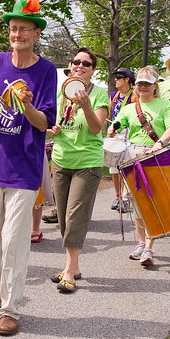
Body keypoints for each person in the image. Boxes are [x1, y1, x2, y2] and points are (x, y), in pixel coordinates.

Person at [0, 0, 57, 336]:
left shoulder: (46, 71)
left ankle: (11, 309)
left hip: (23, 168)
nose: (16, 33)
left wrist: (29, 105)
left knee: (14, 240)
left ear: (36, 34)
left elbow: (43, 122)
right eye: (13, 28)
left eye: (23, 29)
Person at [47, 48, 108, 293]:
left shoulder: (100, 93)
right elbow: (49, 122)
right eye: (76, 62)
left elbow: (96, 128)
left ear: (92, 69)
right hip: (61, 160)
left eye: (86, 63)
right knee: (63, 216)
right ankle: (73, 266)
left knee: (75, 216)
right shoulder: (60, 92)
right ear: (70, 66)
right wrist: (51, 129)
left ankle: (70, 271)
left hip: (87, 162)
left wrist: (86, 106)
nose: (80, 66)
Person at [108, 65, 170, 267]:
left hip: (154, 156)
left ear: (155, 86)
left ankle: (149, 246)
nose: (143, 87)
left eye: (147, 84)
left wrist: (159, 143)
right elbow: (120, 122)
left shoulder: (164, 105)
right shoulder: (130, 108)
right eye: (140, 84)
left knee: (150, 202)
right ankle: (140, 242)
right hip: (132, 156)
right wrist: (113, 127)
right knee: (136, 203)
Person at [108, 67, 135, 212]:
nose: (115, 80)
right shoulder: (113, 95)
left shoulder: (134, 96)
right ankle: (117, 196)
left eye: (119, 77)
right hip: (115, 131)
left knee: (125, 166)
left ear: (127, 80)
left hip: (129, 132)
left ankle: (126, 198)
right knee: (113, 167)